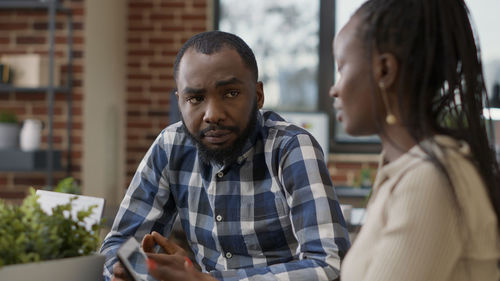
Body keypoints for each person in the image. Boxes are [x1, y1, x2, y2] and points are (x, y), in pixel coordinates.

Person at [100, 30, 350, 281]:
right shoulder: (171, 145)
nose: (212, 114)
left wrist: (206, 280)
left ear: (258, 95)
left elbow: (328, 265)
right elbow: (118, 247)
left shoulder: (291, 147)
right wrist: (145, 273)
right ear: (180, 103)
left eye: (230, 93)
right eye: (195, 98)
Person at [329, 0, 500, 280]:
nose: (334, 89)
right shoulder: (407, 170)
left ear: (384, 70)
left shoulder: (430, 179)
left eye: (341, 68)